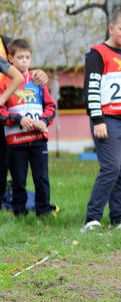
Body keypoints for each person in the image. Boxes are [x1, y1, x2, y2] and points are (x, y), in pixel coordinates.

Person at [81, 7, 121, 232]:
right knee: (111, 168)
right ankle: (92, 218)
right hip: (108, 120)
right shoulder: (97, 54)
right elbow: (91, 89)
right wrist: (97, 119)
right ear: (111, 27)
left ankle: (118, 219)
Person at [0, 39, 58, 216]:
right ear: (10, 58)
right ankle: (19, 213)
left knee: (41, 178)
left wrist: (44, 121)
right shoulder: (3, 82)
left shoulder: (38, 80)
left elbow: (51, 107)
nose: (24, 61)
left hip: (38, 140)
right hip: (16, 142)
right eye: (20, 57)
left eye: (28, 57)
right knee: (18, 180)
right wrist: (18, 119)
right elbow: (1, 111)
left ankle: (43, 211)